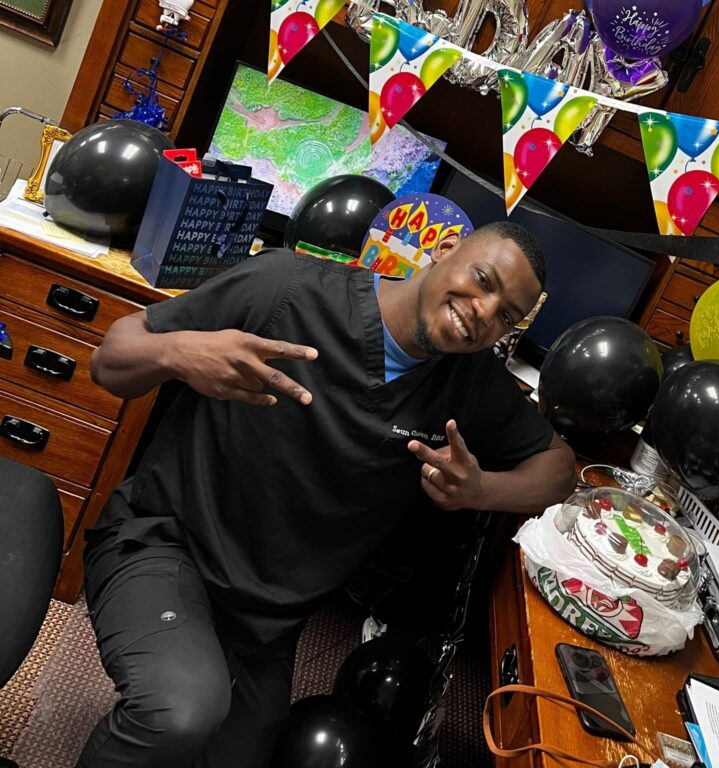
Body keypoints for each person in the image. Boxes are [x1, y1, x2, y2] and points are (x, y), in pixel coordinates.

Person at [75, 221, 576, 768]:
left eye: (506, 314)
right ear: (444, 248)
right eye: (482, 280)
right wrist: (178, 354)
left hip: (265, 614)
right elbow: (110, 359)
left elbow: (560, 470)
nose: (484, 311)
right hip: (166, 547)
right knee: (182, 711)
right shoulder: (286, 287)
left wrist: (482, 489)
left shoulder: (471, 384)